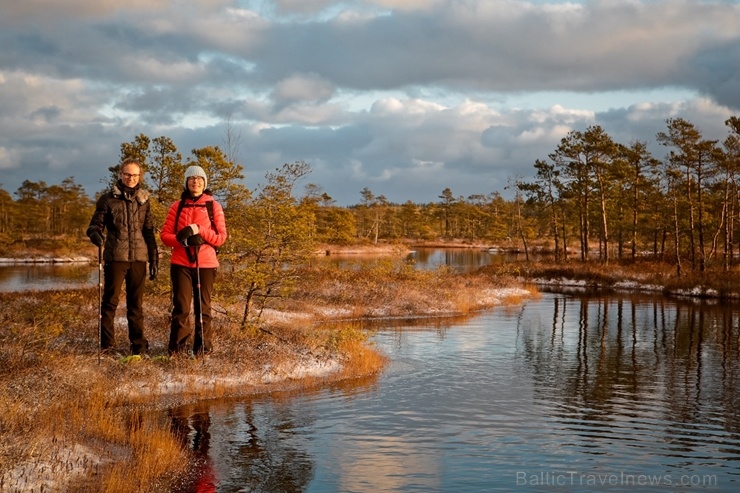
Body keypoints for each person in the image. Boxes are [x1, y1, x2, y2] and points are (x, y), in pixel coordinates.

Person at [86, 157, 158, 356]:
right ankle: (107, 348)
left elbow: (149, 232)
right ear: (120, 175)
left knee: (136, 306)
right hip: (115, 258)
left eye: (135, 175)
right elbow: (95, 224)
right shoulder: (108, 199)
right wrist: (95, 233)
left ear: (139, 176)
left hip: (138, 259)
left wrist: (154, 259)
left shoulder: (144, 200)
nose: (131, 178)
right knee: (110, 304)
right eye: (127, 174)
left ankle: (138, 348)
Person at [160, 165, 227, 356]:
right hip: (180, 262)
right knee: (181, 307)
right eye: (191, 178)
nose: (195, 181)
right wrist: (183, 239)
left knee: (203, 307)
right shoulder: (177, 206)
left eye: (199, 179)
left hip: (205, 263)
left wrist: (199, 231)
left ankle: (203, 350)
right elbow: (165, 236)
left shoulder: (213, 206)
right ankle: (177, 351)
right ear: (186, 182)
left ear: (204, 183)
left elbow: (221, 237)